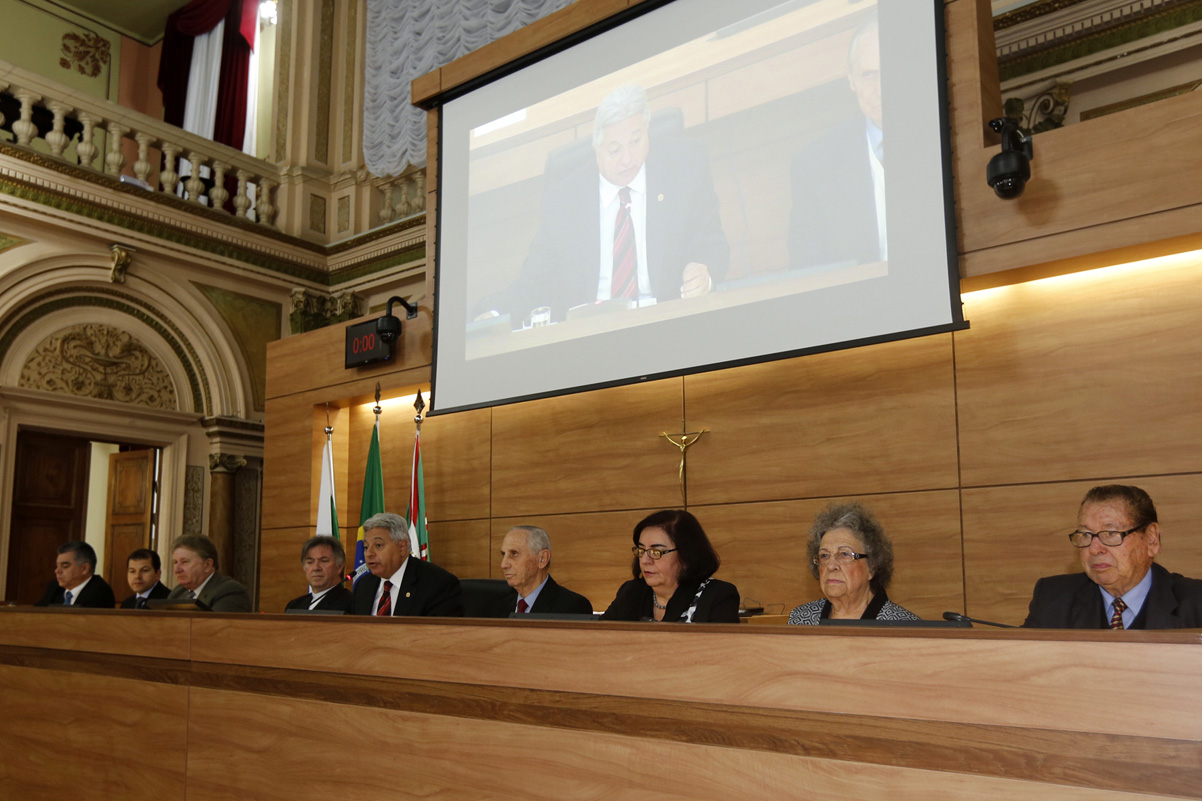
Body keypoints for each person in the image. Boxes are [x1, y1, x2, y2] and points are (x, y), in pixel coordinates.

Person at [475, 84, 729, 324]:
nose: (628, 159)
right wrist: (497, 314)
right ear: (596, 148)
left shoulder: (685, 166)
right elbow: (535, 283)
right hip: (593, 332)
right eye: (615, 150)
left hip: (667, 321)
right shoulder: (564, 201)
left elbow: (711, 243)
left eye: (636, 141)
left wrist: (705, 275)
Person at [1023, 484, 1202, 629]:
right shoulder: (1052, 599)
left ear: (1151, 539)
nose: (1094, 549)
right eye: (1085, 534)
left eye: (1110, 533)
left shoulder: (1196, 604)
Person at [789, 10, 886, 271]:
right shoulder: (814, 165)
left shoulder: (944, 140)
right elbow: (806, 268)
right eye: (868, 75)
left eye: (888, 70)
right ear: (851, 79)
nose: (880, 89)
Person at [788, 502, 918, 624]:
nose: (831, 566)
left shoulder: (904, 627)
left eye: (844, 554)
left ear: (872, 566)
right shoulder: (801, 619)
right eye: (824, 556)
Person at [601, 509, 740, 623]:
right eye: (641, 550)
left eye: (656, 552)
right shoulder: (631, 592)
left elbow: (723, 653)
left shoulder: (717, 596)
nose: (644, 560)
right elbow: (598, 640)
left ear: (687, 556)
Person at [351, 512, 464, 617]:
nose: (369, 553)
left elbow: (439, 635)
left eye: (378, 545)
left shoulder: (437, 585)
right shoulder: (364, 585)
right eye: (366, 547)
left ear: (402, 547)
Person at [488, 526, 592, 617]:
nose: (503, 565)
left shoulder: (572, 607)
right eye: (503, 554)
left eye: (514, 554)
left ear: (542, 559)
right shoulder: (498, 608)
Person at [165, 535, 252, 612]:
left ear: (207, 565)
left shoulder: (229, 591)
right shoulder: (178, 592)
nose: (177, 569)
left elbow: (214, 628)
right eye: (175, 562)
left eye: (184, 562)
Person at [34, 541, 115, 608]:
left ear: (84, 569)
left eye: (65, 566)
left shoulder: (100, 593)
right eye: (57, 566)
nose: (57, 571)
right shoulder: (54, 587)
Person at [285, 536, 354, 613]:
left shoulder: (352, 604)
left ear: (340, 566)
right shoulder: (294, 606)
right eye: (310, 562)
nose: (316, 568)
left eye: (324, 561)